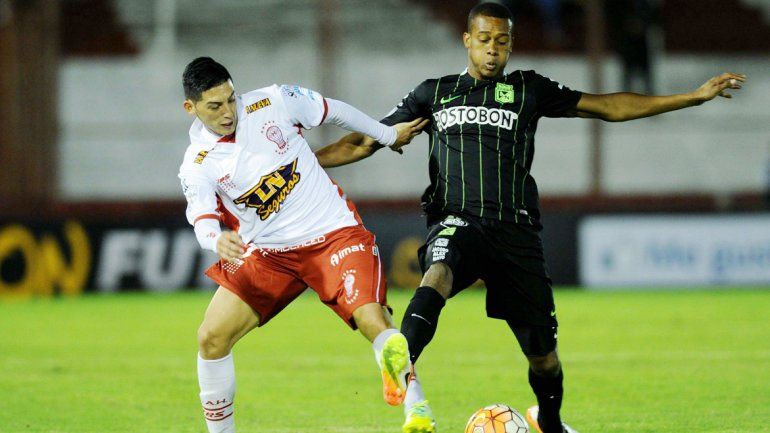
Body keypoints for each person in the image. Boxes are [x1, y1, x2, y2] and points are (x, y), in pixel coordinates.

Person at [314, 3, 745, 433]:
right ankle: (402, 366)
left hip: (516, 232)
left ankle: (550, 423)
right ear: (468, 40)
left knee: (543, 355)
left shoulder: (527, 90)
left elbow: (607, 106)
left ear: (511, 46)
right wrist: (306, 162)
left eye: (501, 42)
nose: (492, 51)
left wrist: (691, 96)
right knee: (438, 272)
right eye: (483, 40)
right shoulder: (435, 93)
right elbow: (365, 141)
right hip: (458, 219)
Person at [178, 57, 428, 433]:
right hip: (269, 253)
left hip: (333, 234)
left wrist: (388, 134)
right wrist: (217, 239)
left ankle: (418, 410)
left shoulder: (273, 101)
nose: (229, 112)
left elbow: (336, 111)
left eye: (231, 98)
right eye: (215, 106)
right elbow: (201, 221)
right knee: (211, 338)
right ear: (191, 108)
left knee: (372, 319)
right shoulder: (197, 165)